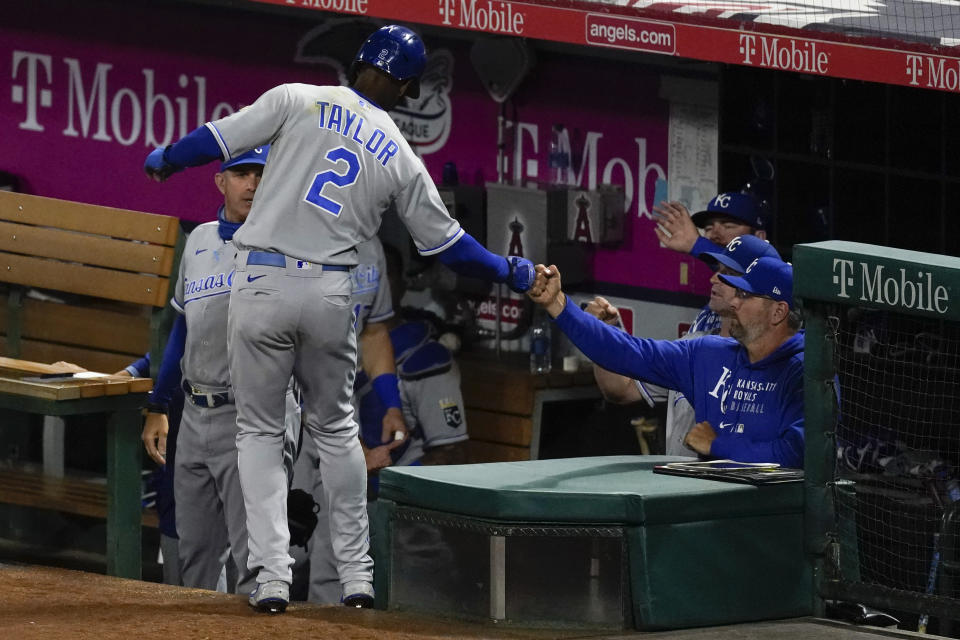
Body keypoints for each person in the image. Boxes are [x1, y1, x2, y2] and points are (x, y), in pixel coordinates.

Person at [143, 24, 533, 613]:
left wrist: (166, 160)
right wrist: (512, 271)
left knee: (259, 431)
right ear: (403, 87)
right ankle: (357, 575)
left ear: (356, 63)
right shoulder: (400, 152)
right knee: (335, 429)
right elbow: (449, 245)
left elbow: (213, 141)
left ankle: (271, 576)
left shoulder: (297, 97)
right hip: (330, 291)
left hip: (263, 281)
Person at [141, 146, 300, 597]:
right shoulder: (199, 240)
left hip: (253, 415)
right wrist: (158, 404)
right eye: (242, 173)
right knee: (195, 557)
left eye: (261, 174)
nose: (252, 183)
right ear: (221, 181)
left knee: (256, 563)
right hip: (194, 413)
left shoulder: (288, 245)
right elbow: (183, 328)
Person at [528, 256, 804, 468]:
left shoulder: (803, 373)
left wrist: (718, 445)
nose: (734, 303)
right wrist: (559, 306)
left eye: (746, 296)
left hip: (771, 528)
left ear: (778, 312)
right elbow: (626, 351)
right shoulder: (707, 354)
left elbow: (798, 453)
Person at [587, 235, 781, 455]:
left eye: (728, 274)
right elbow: (620, 389)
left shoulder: (774, 362)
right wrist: (600, 330)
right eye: (718, 270)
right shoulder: (691, 346)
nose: (713, 279)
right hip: (677, 485)